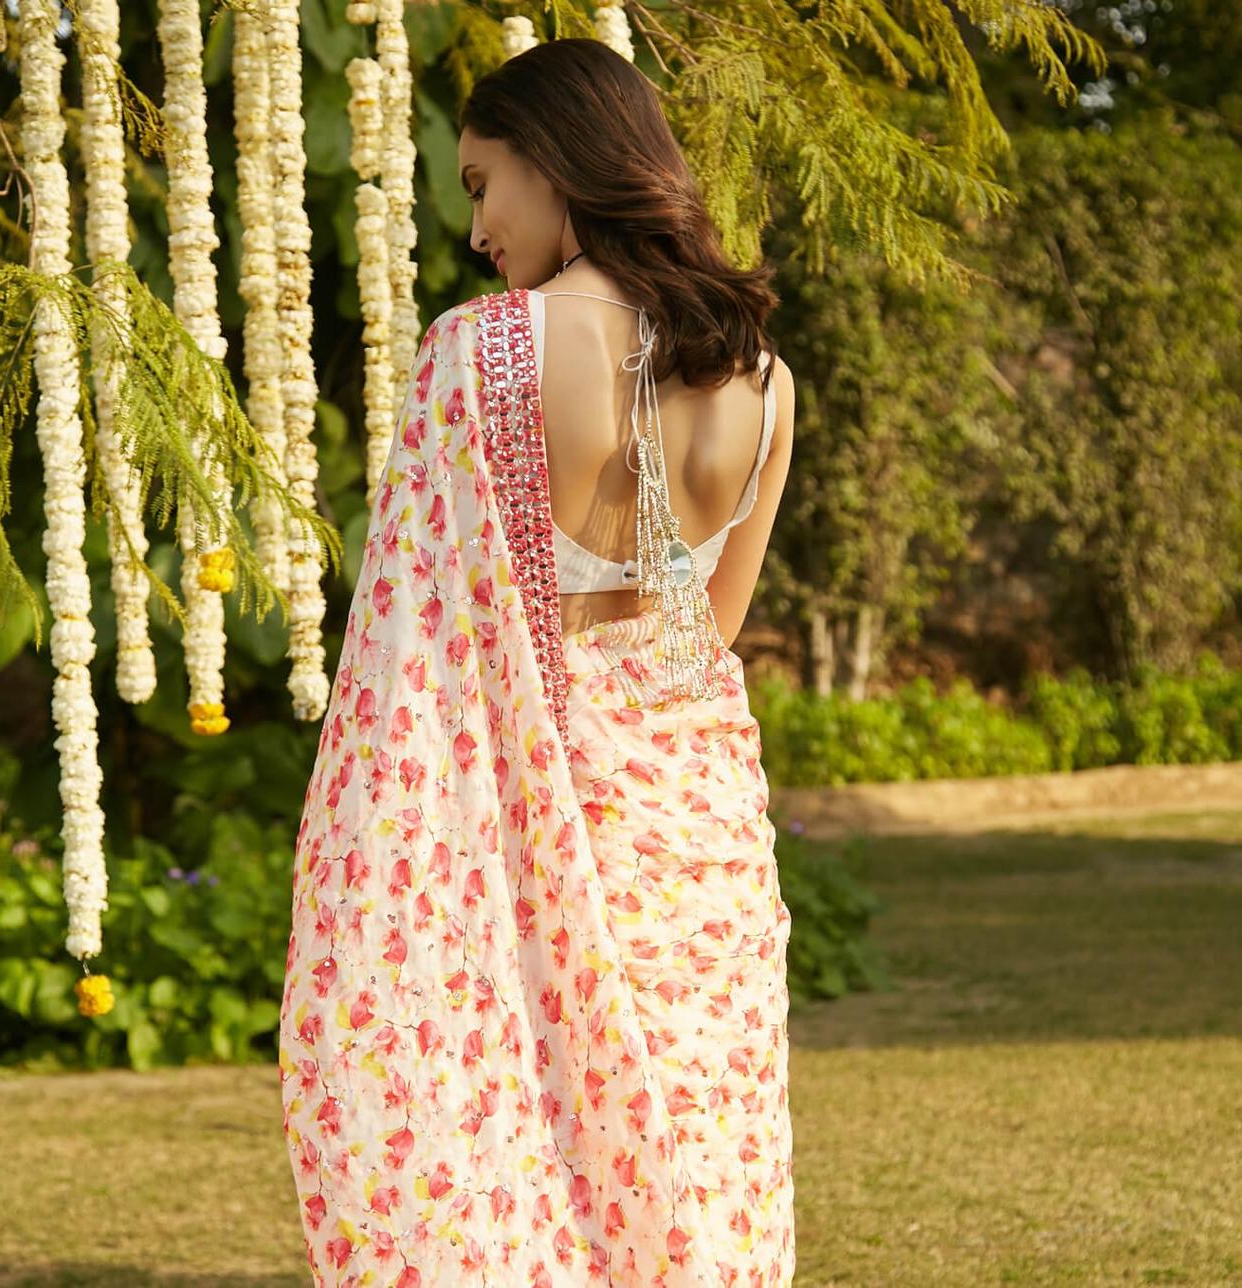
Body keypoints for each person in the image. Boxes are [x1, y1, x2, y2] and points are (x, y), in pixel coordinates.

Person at [278, 37, 797, 1288]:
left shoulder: (482, 354)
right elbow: (706, 632)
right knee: (691, 1133)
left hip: (532, 795)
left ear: (558, 163)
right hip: (695, 827)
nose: (474, 223)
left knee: (514, 1128)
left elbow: (415, 646)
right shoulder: (767, 377)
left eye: (480, 179)